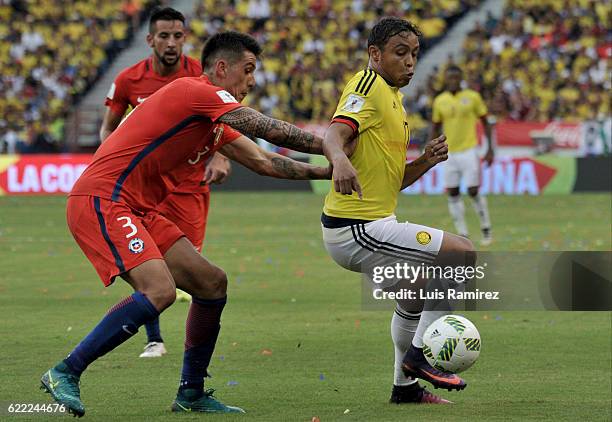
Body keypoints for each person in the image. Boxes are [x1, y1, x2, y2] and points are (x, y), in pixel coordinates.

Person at [40, 31, 330, 417]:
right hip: (103, 199)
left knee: (211, 283)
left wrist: (331, 171)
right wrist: (334, 144)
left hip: (138, 209)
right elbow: (266, 128)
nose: (252, 81)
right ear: (221, 68)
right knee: (158, 290)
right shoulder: (195, 91)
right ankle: (66, 371)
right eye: (247, 70)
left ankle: (191, 393)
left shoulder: (210, 120)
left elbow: (265, 162)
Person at [320, 17, 474, 405]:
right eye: (400, 53)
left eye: (415, 55)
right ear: (375, 54)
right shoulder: (366, 87)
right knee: (462, 251)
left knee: (415, 292)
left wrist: (424, 162)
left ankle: (403, 389)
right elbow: (334, 134)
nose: (410, 63)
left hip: (373, 223)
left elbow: (392, 180)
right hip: (354, 228)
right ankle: (420, 357)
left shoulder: (394, 99)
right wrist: (338, 159)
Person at [100, 6, 232, 359]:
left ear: (185, 38)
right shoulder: (128, 80)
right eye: (164, 36)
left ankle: (190, 363)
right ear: (149, 40)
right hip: (142, 188)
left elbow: (226, 122)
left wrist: (220, 155)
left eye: (177, 36)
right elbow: (108, 128)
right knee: (150, 263)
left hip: (190, 186)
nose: (171, 43)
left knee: (191, 272)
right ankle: (154, 338)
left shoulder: (200, 77)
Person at [430, 65, 494, 245]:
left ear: (461, 78)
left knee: (473, 190)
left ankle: (486, 227)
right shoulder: (440, 100)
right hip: (449, 153)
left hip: (469, 150)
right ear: (445, 79)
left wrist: (490, 149)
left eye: (456, 78)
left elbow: (486, 122)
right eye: (450, 78)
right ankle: (463, 233)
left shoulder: (472, 97)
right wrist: (429, 150)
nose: (453, 81)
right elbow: (435, 126)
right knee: (453, 192)